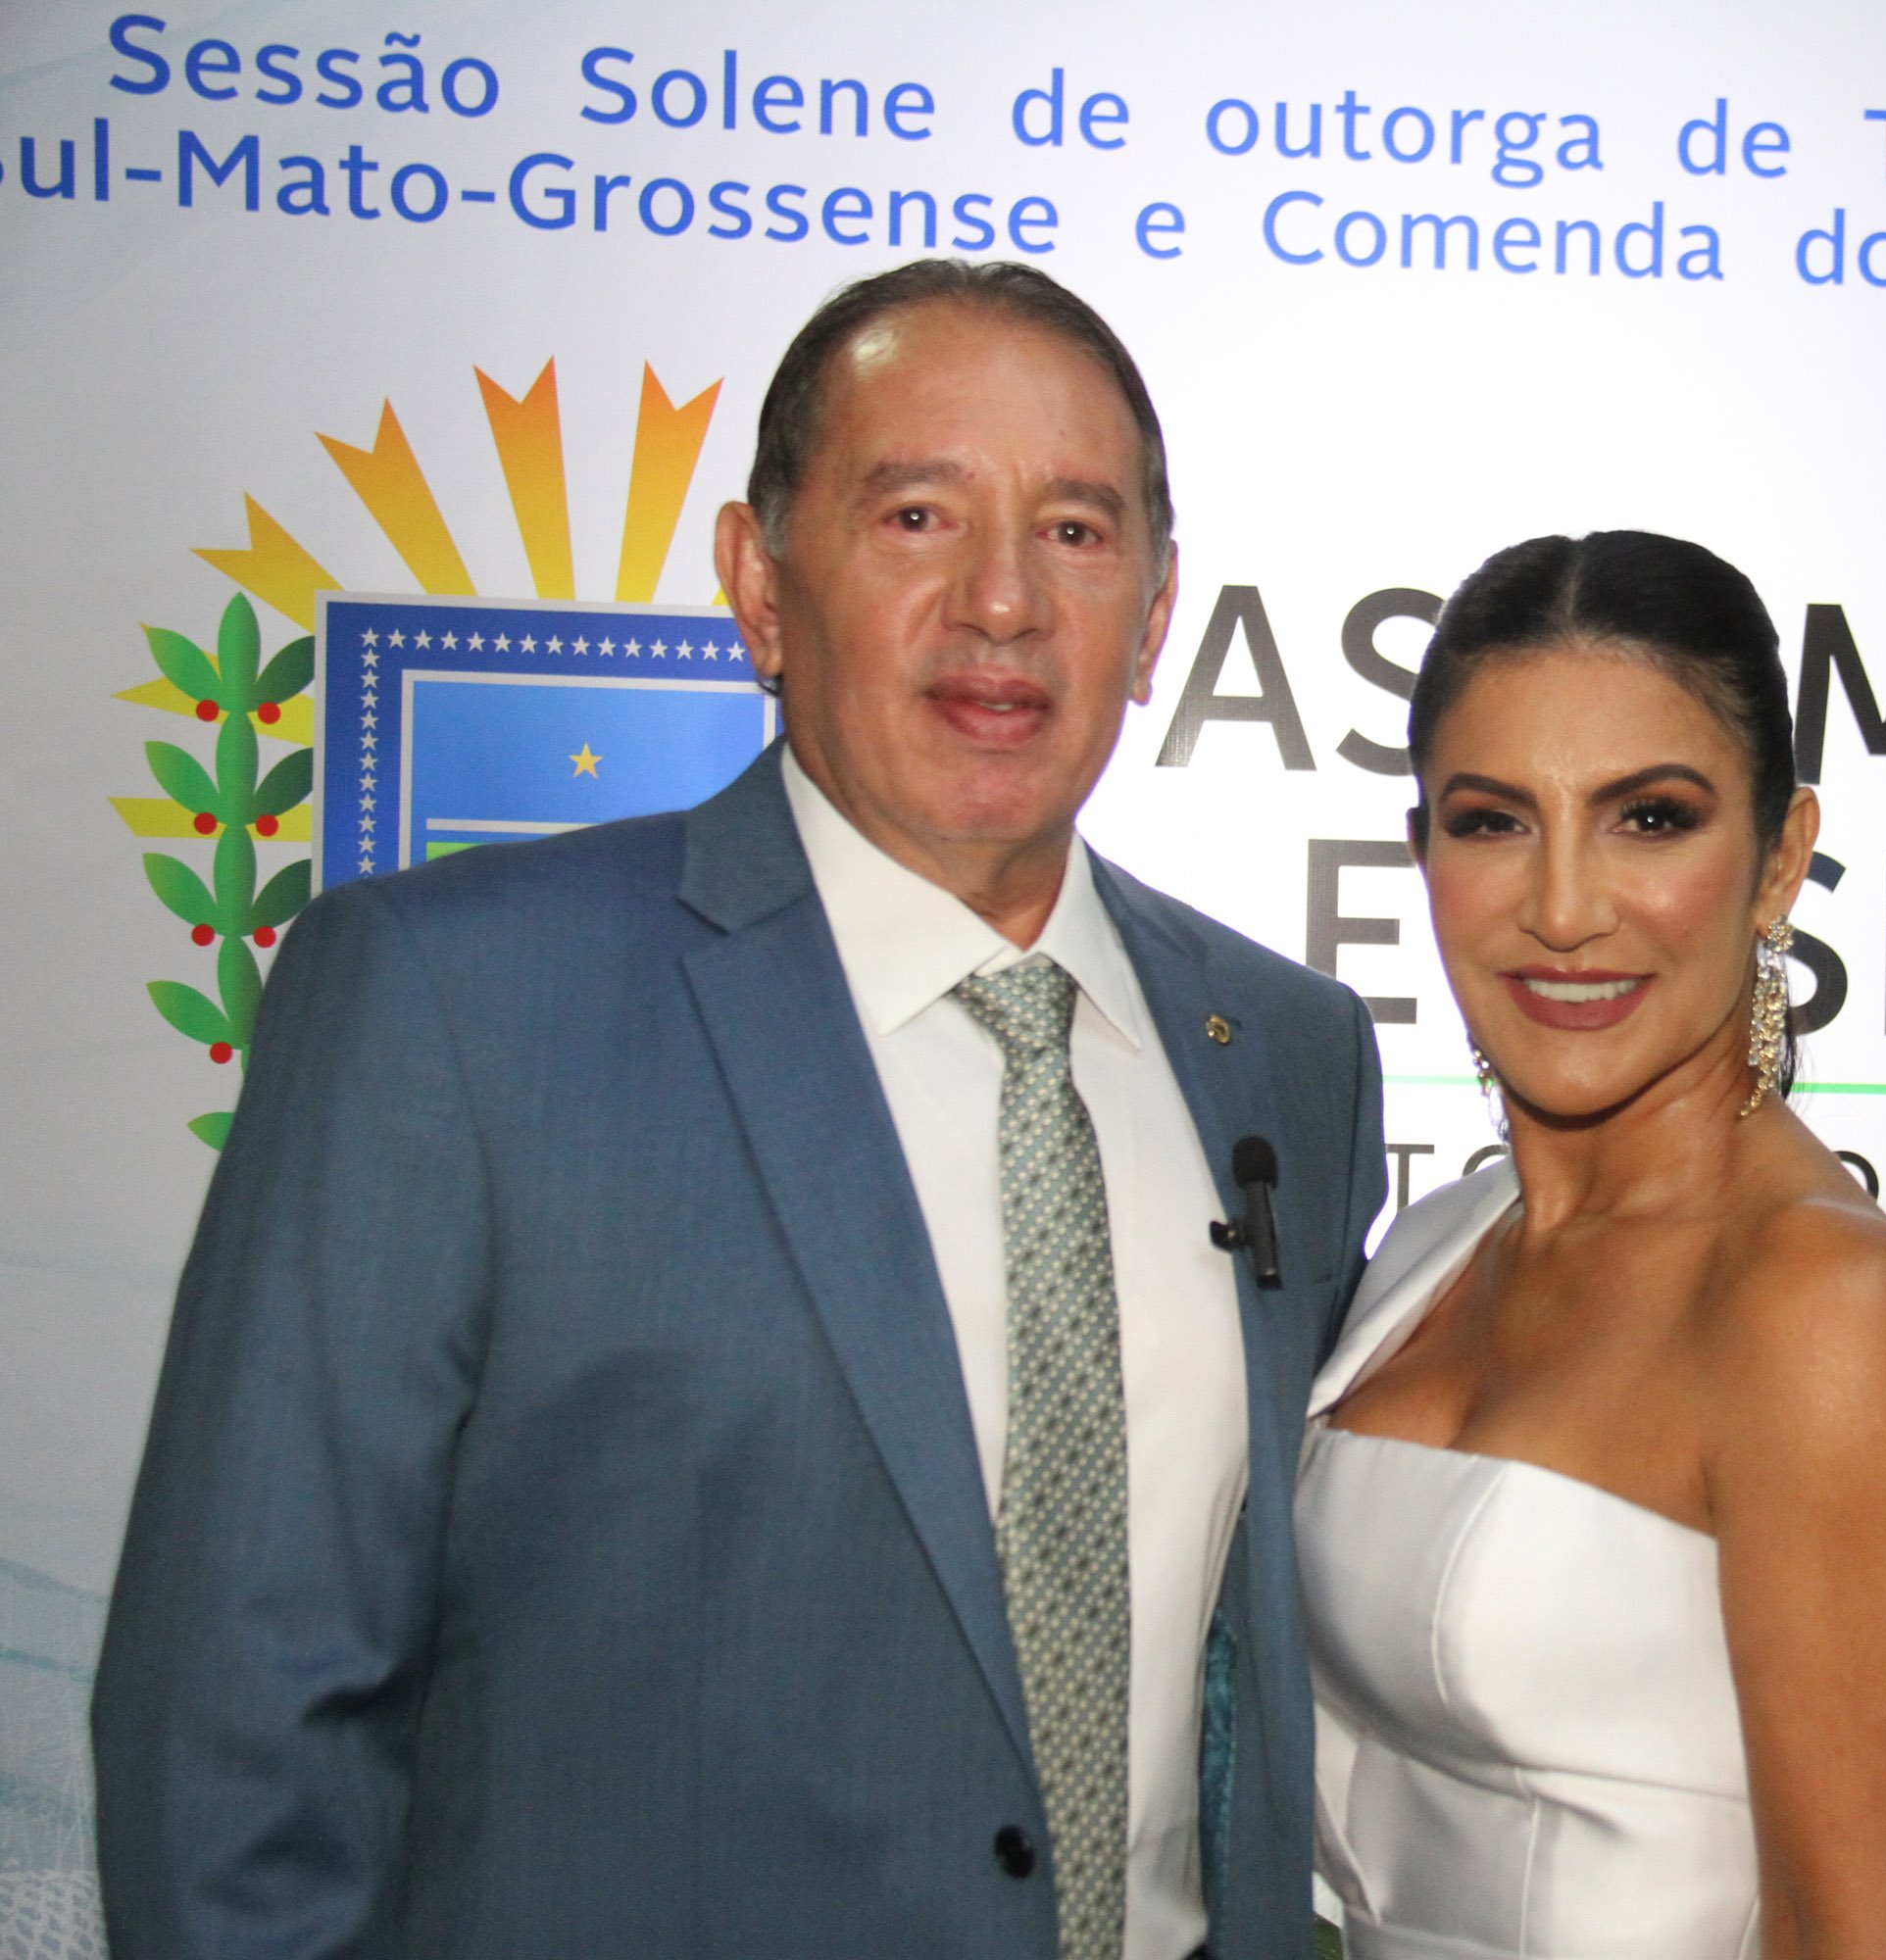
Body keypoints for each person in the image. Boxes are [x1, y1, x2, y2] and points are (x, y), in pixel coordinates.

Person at [91, 260, 1386, 1960]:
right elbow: (237, 1731)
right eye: (916, 516)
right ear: (759, 585)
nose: (1003, 602)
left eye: (1076, 531)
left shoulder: (1286, 1051)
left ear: (1153, 617)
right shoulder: (451, 1004)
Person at [1298, 532, 1886, 1960]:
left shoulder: (1817, 1307)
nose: (1563, 909)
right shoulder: (1434, 1244)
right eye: (1493, 822)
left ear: (1780, 858)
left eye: (1650, 819)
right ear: (1423, 851)